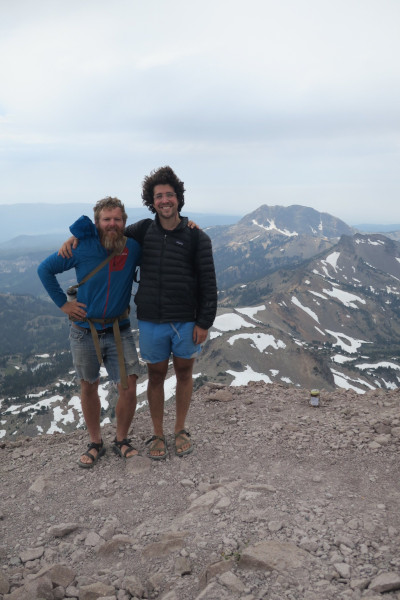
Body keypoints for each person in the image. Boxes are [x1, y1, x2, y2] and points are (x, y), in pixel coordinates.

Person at [62, 167, 218, 460]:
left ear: (178, 198)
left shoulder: (198, 237)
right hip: (151, 320)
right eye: (159, 196)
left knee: (185, 373)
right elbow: (108, 231)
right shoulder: (142, 230)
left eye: (169, 194)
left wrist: (204, 322)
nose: (165, 200)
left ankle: (180, 429)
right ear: (152, 201)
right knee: (156, 376)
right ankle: (158, 433)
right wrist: (75, 238)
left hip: (186, 320)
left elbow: (209, 283)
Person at [38, 197, 142, 468]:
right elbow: (45, 269)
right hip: (85, 330)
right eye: (106, 220)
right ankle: (95, 442)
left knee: (128, 385)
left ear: (124, 222)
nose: (112, 224)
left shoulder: (133, 247)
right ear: (97, 223)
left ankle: (121, 439)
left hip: (120, 328)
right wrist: (64, 305)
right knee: (88, 386)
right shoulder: (81, 247)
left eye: (117, 219)